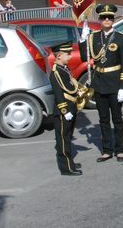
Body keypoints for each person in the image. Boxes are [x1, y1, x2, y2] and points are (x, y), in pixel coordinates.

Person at [79, 4, 123, 163]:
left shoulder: (121, 38)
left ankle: (120, 149)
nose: (107, 20)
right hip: (100, 83)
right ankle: (107, 150)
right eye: (103, 17)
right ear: (100, 20)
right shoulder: (93, 37)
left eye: (109, 17)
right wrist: (82, 39)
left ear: (113, 20)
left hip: (115, 83)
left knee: (117, 119)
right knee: (103, 119)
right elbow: (84, 57)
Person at [50, 41, 82, 176]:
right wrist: (64, 110)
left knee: (68, 136)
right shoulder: (56, 72)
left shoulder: (64, 68)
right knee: (63, 139)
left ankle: (70, 162)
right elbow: (58, 93)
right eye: (67, 55)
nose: (69, 57)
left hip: (71, 106)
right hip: (64, 109)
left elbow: (71, 84)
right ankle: (66, 167)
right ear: (58, 56)